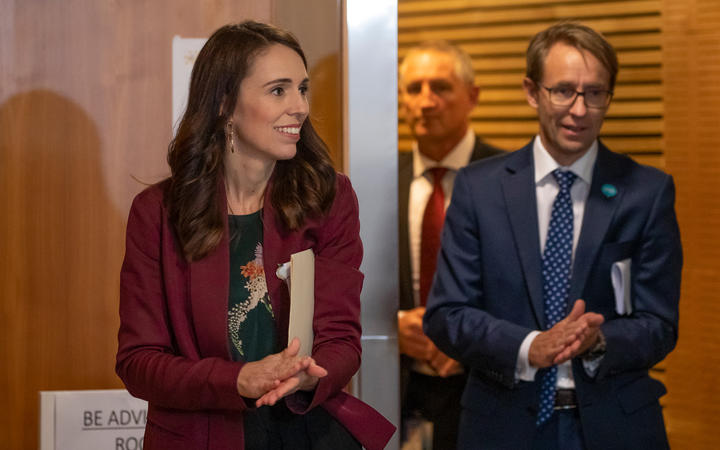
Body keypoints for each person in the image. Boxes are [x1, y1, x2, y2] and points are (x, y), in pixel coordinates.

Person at [116, 21, 394, 450]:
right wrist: (238, 379)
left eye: (303, 89)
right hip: (200, 435)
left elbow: (342, 340)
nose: (299, 106)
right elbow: (138, 362)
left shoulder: (329, 196)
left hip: (305, 429)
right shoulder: (157, 212)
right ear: (225, 102)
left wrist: (310, 373)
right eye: (278, 90)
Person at [423, 22, 682, 450]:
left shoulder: (646, 192)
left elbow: (660, 325)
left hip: (615, 426)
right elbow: (447, 314)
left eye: (595, 93)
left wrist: (599, 341)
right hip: (501, 426)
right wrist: (530, 346)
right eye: (564, 90)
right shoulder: (478, 188)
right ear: (532, 92)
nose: (579, 110)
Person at [397, 41, 503, 449]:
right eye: (414, 89)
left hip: (488, 389)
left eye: (440, 87)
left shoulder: (512, 180)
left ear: (472, 96)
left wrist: (470, 340)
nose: (425, 102)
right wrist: (393, 323)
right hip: (401, 389)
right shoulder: (378, 181)